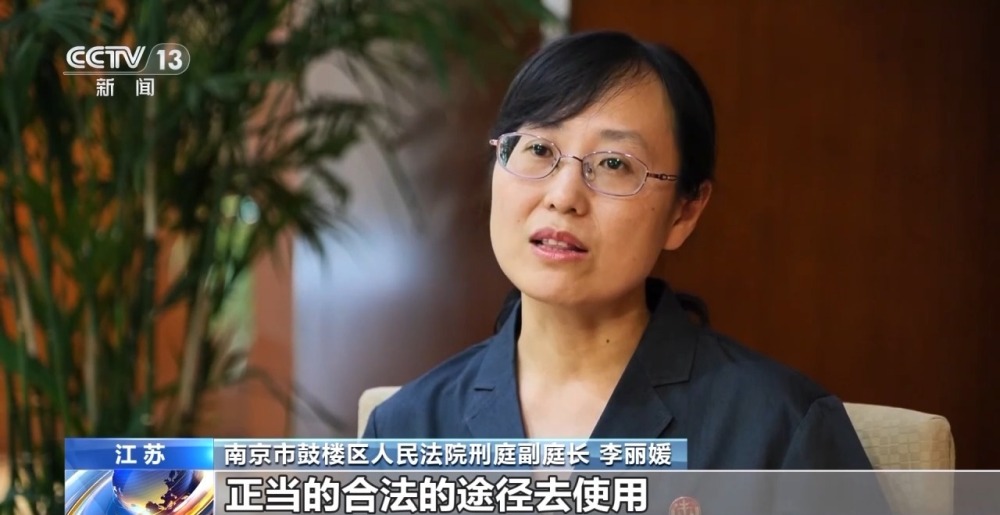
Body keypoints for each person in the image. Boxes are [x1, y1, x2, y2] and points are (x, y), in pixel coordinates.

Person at [363, 30, 873, 469]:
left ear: (684, 212)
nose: (563, 196)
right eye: (538, 149)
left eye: (613, 164)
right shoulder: (406, 429)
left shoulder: (780, 430)